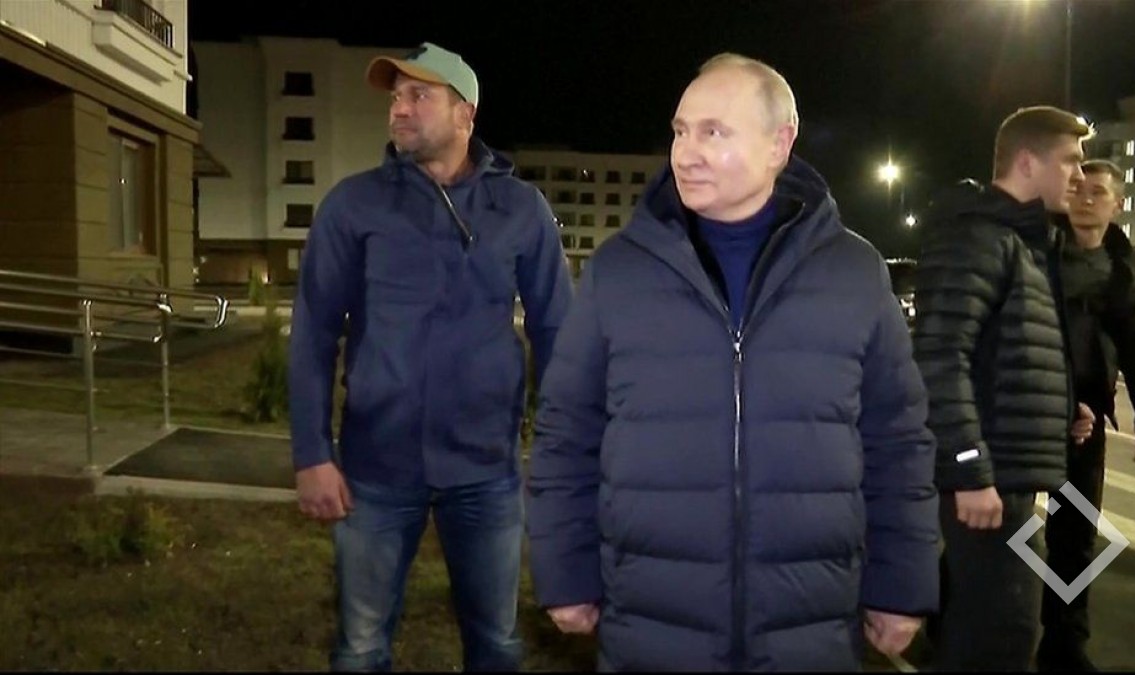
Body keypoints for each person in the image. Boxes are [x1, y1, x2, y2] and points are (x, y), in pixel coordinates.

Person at [526, 52, 939, 671]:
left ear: (780, 144)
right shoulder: (619, 271)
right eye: (680, 131)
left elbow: (898, 439)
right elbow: (566, 432)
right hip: (652, 626)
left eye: (713, 132)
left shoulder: (854, 272)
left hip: (810, 628)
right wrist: (565, 572)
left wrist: (901, 584)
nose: (685, 153)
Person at [287, 42, 573, 671]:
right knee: (361, 647)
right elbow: (313, 333)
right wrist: (312, 454)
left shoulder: (520, 209)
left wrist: (561, 449)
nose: (400, 109)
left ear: (465, 113)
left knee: (496, 643)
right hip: (376, 470)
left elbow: (557, 330)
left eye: (419, 95)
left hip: (487, 470)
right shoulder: (354, 204)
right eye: (396, 97)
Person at [911, 105, 1097, 672]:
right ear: (1027, 161)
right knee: (1000, 635)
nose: (1080, 176)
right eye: (1070, 161)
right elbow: (940, 357)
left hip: (1007, 475)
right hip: (988, 481)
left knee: (996, 630)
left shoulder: (1020, 241)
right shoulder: (979, 237)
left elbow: (1002, 355)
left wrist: (1062, 410)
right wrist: (969, 469)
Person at [1038, 158, 1135, 671]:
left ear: (1118, 204)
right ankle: (947, 609)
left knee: (1074, 536)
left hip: (1087, 421)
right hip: (1030, 407)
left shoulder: (1123, 268)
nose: (1085, 198)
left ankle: (1064, 644)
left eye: (1098, 192)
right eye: (1078, 188)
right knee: (993, 521)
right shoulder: (1038, 250)